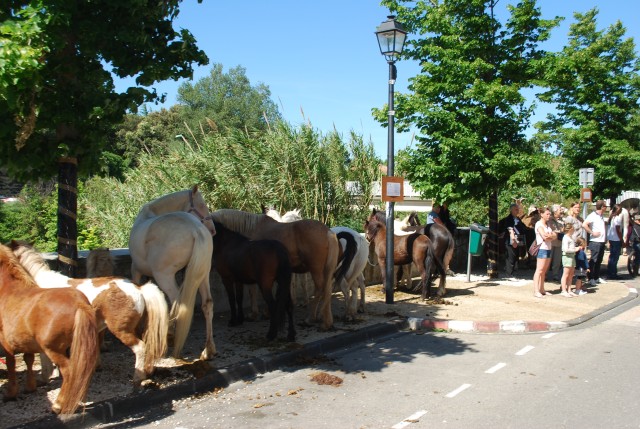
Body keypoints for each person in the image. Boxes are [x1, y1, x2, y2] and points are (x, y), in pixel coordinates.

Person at [533, 207, 556, 298]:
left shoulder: (548, 225)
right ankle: (536, 290)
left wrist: (550, 236)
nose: (548, 216)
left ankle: (542, 289)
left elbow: (555, 235)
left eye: (549, 214)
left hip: (548, 248)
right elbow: (544, 237)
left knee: (544, 271)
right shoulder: (539, 224)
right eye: (547, 214)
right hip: (542, 248)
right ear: (541, 214)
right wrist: (550, 236)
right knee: (539, 270)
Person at [582, 200, 607, 286]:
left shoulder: (601, 216)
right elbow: (584, 224)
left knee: (599, 260)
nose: (606, 208)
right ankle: (590, 277)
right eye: (605, 206)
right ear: (602, 207)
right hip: (595, 241)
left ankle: (596, 277)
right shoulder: (593, 215)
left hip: (601, 241)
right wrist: (592, 232)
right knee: (593, 260)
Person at [499, 203, 526, 279]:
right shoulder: (508, 219)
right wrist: (513, 240)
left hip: (518, 239)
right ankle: (509, 274)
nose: (517, 211)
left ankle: (514, 273)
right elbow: (509, 229)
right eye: (516, 209)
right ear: (511, 210)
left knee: (516, 257)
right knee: (510, 257)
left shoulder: (518, 219)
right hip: (510, 240)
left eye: (518, 209)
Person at [560, 223, 578, 297]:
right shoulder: (565, 237)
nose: (573, 231)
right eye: (572, 229)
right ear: (570, 229)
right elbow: (565, 249)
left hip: (572, 256)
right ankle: (564, 290)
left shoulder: (570, 237)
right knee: (566, 274)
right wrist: (574, 250)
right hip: (567, 256)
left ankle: (569, 289)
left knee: (571, 274)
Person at [548, 204, 565, 282]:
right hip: (551, 242)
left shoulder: (562, 220)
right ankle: (545, 274)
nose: (561, 211)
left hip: (559, 242)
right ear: (555, 211)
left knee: (557, 260)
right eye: (559, 210)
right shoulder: (550, 219)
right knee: (548, 259)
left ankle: (555, 275)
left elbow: (563, 229)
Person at [606, 204, 623, 280]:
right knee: (615, 257)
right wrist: (621, 239)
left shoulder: (611, 217)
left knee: (611, 256)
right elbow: (618, 230)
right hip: (616, 239)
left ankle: (610, 272)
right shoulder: (617, 218)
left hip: (611, 238)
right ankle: (613, 273)